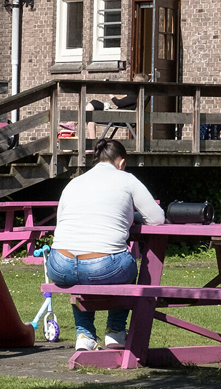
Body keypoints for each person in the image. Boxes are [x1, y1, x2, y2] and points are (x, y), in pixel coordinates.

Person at [47, 138, 165, 351]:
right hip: (103, 265)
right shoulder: (126, 179)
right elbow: (157, 219)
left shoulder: (74, 182)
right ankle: (115, 331)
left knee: (80, 277)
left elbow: (62, 224)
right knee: (128, 269)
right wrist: (133, 217)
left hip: (59, 265)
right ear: (121, 163)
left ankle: (84, 335)